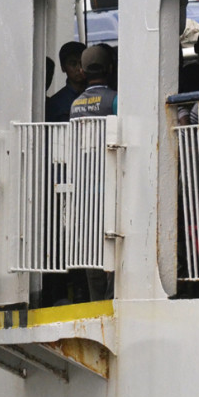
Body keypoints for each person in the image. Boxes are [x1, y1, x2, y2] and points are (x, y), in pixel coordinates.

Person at [69, 44, 116, 301]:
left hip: (85, 187)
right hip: (109, 186)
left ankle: (96, 300)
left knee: (92, 246)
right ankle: (111, 298)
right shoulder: (115, 100)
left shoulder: (75, 104)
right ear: (110, 68)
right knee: (114, 244)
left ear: (83, 70)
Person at [45, 41, 87, 122]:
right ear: (63, 67)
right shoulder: (55, 103)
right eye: (73, 64)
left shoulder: (95, 94)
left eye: (82, 63)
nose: (79, 68)